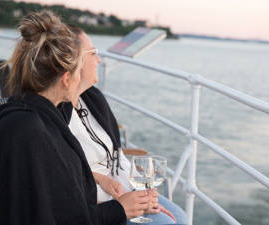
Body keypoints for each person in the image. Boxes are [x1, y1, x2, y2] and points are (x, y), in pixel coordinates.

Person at [0, 10, 150, 225]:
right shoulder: (31, 131)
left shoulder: (23, 116)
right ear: (66, 79)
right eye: (79, 72)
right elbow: (61, 217)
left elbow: (54, 188)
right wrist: (120, 209)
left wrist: (98, 178)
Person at [59, 26, 188, 225]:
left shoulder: (92, 98)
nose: (99, 60)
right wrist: (119, 194)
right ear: (74, 61)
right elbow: (62, 171)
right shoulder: (56, 112)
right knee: (167, 223)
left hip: (122, 190)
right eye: (93, 53)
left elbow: (117, 156)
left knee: (180, 217)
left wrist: (144, 191)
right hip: (98, 204)